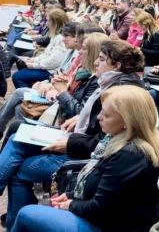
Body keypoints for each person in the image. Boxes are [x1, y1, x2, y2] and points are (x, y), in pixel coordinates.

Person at [0, 40, 145, 230]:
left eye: (101, 59)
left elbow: (100, 142)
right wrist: (77, 115)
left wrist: (63, 95)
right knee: (16, 136)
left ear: (116, 65)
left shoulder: (120, 92)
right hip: (77, 139)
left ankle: (19, 222)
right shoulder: (106, 81)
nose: (94, 62)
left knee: (18, 164)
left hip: (82, 154)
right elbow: (90, 117)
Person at [12, 85, 159, 232]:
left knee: (26, 214)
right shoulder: (122, 142)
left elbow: (99, 208)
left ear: (127, 122)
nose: (99, 117)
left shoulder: (129, 155)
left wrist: (70, 204)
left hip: (108, 227)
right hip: (107, 218)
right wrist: (71, 195)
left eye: (106, 115)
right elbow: (104, 191)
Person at [11, 8, 69, 88]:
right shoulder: (55, 35)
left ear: (55, 23)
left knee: (17, 77)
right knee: (21, 66)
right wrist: (33, 60)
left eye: (49, 21)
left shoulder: (60, 38)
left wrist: (34, 65)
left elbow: (54, 61)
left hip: (52, 72)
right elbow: (47, 53)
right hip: (48, 68)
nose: (47, 24)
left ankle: (27, 96)